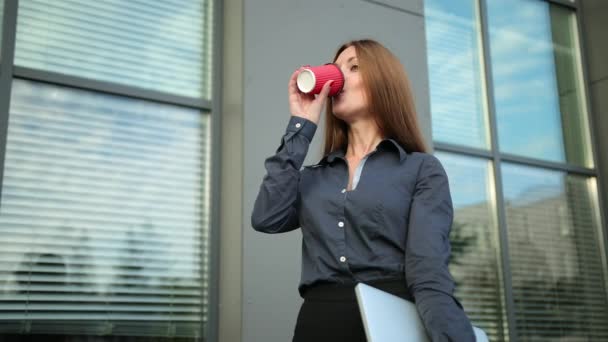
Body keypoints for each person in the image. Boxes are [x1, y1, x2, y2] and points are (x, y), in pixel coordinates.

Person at [251, 39, 475, 342]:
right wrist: (301, 125)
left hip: (391, 324)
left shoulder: (420, 169)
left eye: (353, 67)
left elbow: (428, 273)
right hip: (318, 326)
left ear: (383, 82)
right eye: (335, 69)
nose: (338, 76)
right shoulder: (313, 177)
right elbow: (266, 218)